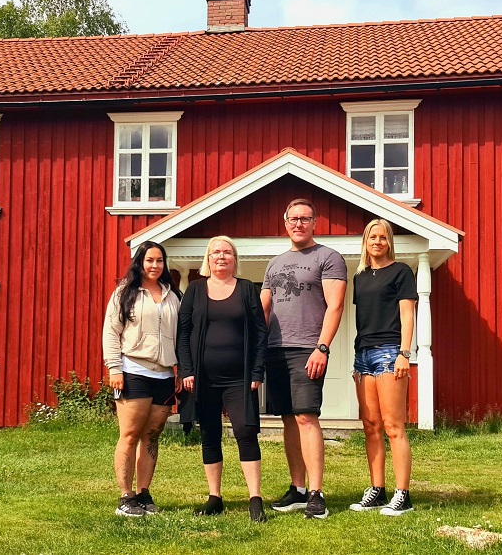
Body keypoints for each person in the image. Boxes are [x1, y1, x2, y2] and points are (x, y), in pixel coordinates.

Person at [261, 198, 347, 519]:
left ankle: (316, 493)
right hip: (275, 350)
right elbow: (263, 310)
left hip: (307, 349)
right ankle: (297, 489)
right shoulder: (274, 263)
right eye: (293, 218)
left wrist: (322, 347)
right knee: (287, 418)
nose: (299, 223)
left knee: (306, 417)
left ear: (315, 223)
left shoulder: (328, 258)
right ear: (285, 223)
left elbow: (335, 306)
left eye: (305, 218)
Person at [177, 236, 268, 522]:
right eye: (216, 252)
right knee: (210, 434)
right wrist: (187, 370)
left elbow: (260, 333)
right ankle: (214, 497)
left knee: (245, 432)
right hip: (203, 378)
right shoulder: (194, 290)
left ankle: (255, 499)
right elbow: (183, 333)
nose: (221, 257)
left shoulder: (245, 290)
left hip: (239, 378)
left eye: (227, 252)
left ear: (234, 258)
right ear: (208, 258)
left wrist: (256, 371)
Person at [102, 240, 182, 517]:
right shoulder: (125, 293)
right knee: (130, 434)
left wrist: (180, 370)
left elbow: (181, 336)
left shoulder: (173, 295)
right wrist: (114, 368)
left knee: (151, 435)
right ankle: (126, 497)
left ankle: (144, 494)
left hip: (163, 374)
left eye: (159, 261)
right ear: (140, 262)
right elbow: (111, 332)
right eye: (149, 260)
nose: (155, 266)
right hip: (133, 370)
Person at [349, 219, 417, 516]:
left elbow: (407, 315)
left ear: (390, 242)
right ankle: (377, 490)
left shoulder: (401, 272)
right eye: (372, 237)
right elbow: (362, 320)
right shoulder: (360, 276)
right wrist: (355, 359)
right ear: (366, 241)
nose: (377, 242)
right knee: (371, 427)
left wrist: (405, 352)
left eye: (383, 237)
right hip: (362, 356)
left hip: (390, 353)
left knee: (393, 426)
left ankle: (403, 494)